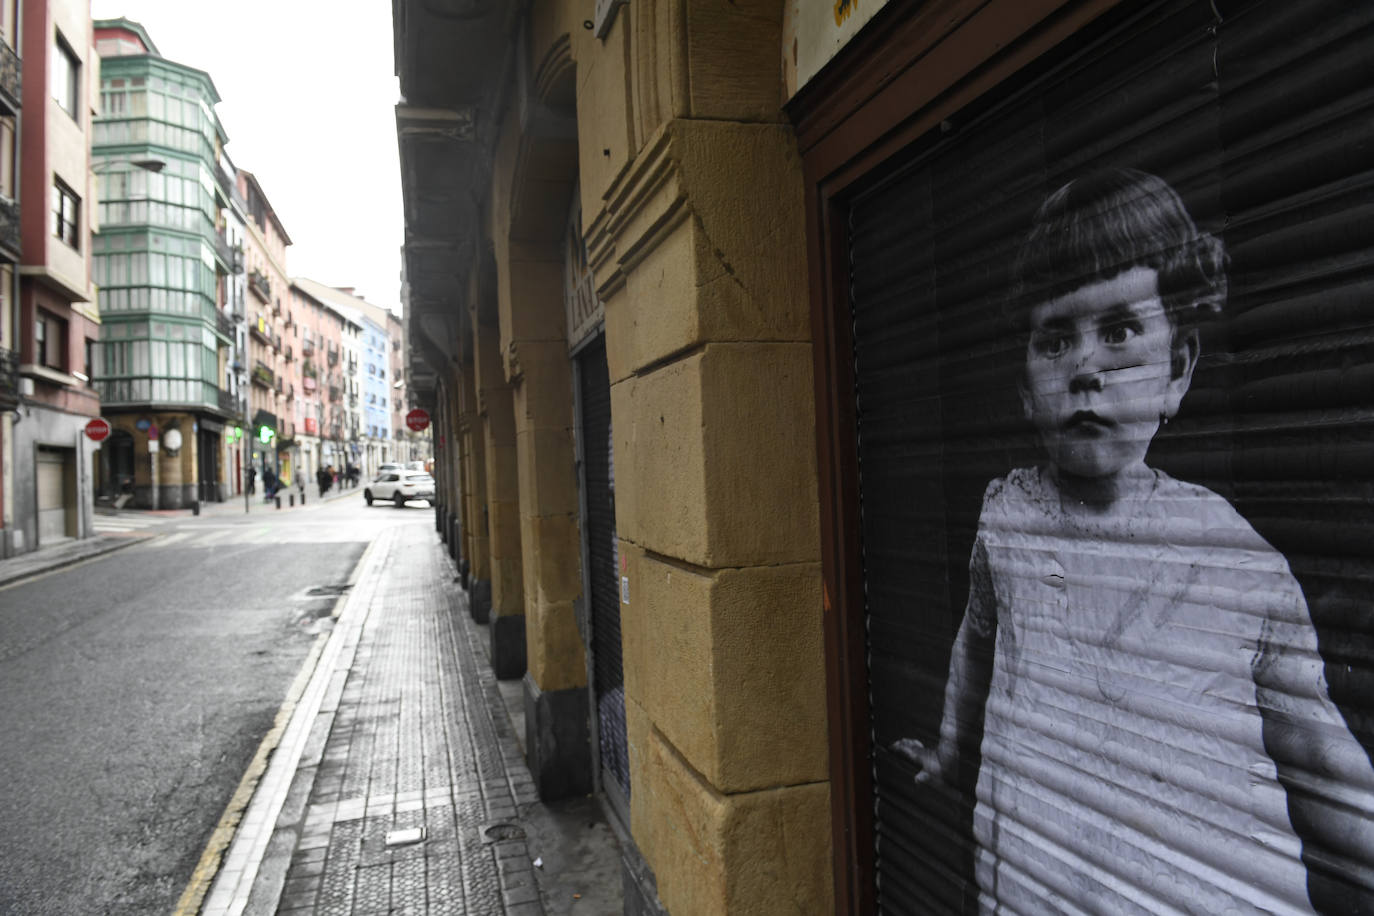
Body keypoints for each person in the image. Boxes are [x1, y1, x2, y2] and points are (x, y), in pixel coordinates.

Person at [892, 168, 1374, 913]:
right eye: (1055, 341)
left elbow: (1318, 749)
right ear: (1024, 388)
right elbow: (977, 644)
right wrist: (954, 750)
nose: (1086, 369)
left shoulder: (1235, 556)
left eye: (1118, 332)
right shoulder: (1008, 517)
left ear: (1176, 370)